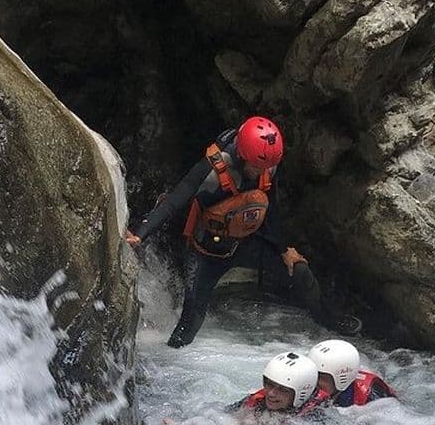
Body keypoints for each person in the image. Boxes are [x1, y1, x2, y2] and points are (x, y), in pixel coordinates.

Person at [125, 116, 361, 347]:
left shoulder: (268, 164)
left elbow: (270, 208)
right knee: (190, 323)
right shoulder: (212, 169)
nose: (261, 172)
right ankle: (172, 351)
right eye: (256, 167)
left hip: (246, 243)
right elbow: (174, 201)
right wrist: (140, 234)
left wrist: (283, 249)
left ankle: (329, 320)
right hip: (206, 252)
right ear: (242, 155)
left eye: (266, 167)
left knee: (299, 271)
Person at [231, 351, 329, 419]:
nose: (271, 393)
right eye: (269, 384)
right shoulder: (258, 400)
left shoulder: (317, 416)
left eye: (283, 389)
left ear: (300, 394)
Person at [307, 339, 396, 407]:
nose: (313, 382)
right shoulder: (309, 386)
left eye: (320, 377)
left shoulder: (372, 395)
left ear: (341, 379)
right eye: (312, 374)